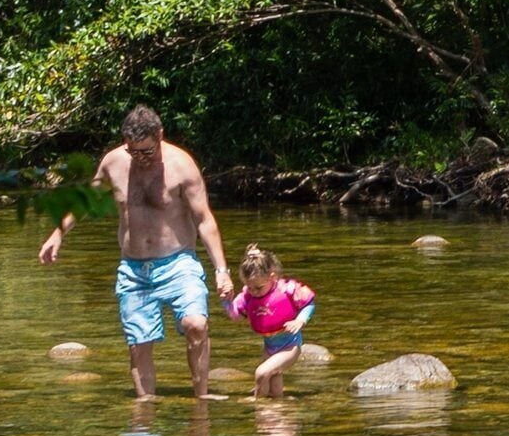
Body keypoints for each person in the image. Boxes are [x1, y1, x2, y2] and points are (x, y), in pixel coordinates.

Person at [38, 105, 234, 400]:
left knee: (196, 324)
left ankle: (201, 400)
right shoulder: (113, 162)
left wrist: (221, 270)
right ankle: (145, 417)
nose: (140, 159)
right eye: (133, 152)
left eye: (146, 151)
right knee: (139, 344)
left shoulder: (182, 165)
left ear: (160, 135)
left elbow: (204, 220)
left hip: (178, 262)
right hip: (133, 268)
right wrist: (58, 233)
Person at [227, 246, 317, 400]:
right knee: (274, 385)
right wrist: (226, 300)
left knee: (261, 373)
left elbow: (310, 303)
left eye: (258, 288)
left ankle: (258, 404)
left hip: (290, 345)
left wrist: (300, 320)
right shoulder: (248, 296)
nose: (254, 291)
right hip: (269, 347)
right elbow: (235, 315)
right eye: (250, 287)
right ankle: (277, 409)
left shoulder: (287, 290)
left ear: (272, 277)